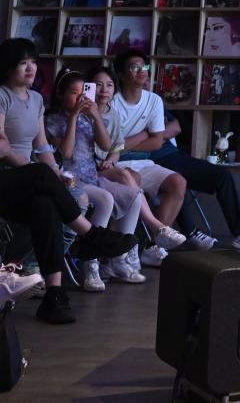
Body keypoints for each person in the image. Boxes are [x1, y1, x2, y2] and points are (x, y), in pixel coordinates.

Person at [0, 38, 136, 323]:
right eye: (23, 63)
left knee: (45, 204)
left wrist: (56, 173)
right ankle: (90, 235)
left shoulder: (35, 100)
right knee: (41, 175)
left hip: (29, 179)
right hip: (6, 178)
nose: (31, 68)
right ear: (8, 67)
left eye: (33, 62)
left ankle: (54, 295)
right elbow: (2, 148)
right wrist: (42, 172)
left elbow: (42, 147)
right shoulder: (2, 96)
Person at [113, 50, 240, 251]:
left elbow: (174, 127)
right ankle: (188, 233)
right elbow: (115, 145)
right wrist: (146, 135)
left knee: (220, 175)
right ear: (121, 75)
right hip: (143, 161)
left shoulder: (153, 101)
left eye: (144, 67)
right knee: (175, 181)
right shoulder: (114, 103)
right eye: (134, 68)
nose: (142, 72)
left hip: (169, 155)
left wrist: (146, 137)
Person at [45, 67, 145, 290]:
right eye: (74, 93)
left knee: (134, 195)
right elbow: (66, 153)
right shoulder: (52, 120)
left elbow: (106, 145)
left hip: (91, 178)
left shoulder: (89, 118)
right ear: (60, 94)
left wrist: (95, 116)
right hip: (70, 180)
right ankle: (90, 263)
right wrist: (73, 117)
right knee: (105, 199)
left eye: (83, 92)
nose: (80, 98)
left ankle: (118, 260)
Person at [87, 66, 187, 271]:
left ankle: (126, 251)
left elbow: (116, 147)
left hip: (106, 167)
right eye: (98, 85)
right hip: (87, 169)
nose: (104, 90)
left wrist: (111, 159)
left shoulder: (112, 114)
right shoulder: (82, 113)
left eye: (109, 85)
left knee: (129, 180)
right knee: (127, 178)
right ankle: (151, 232)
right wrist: (142, 135)